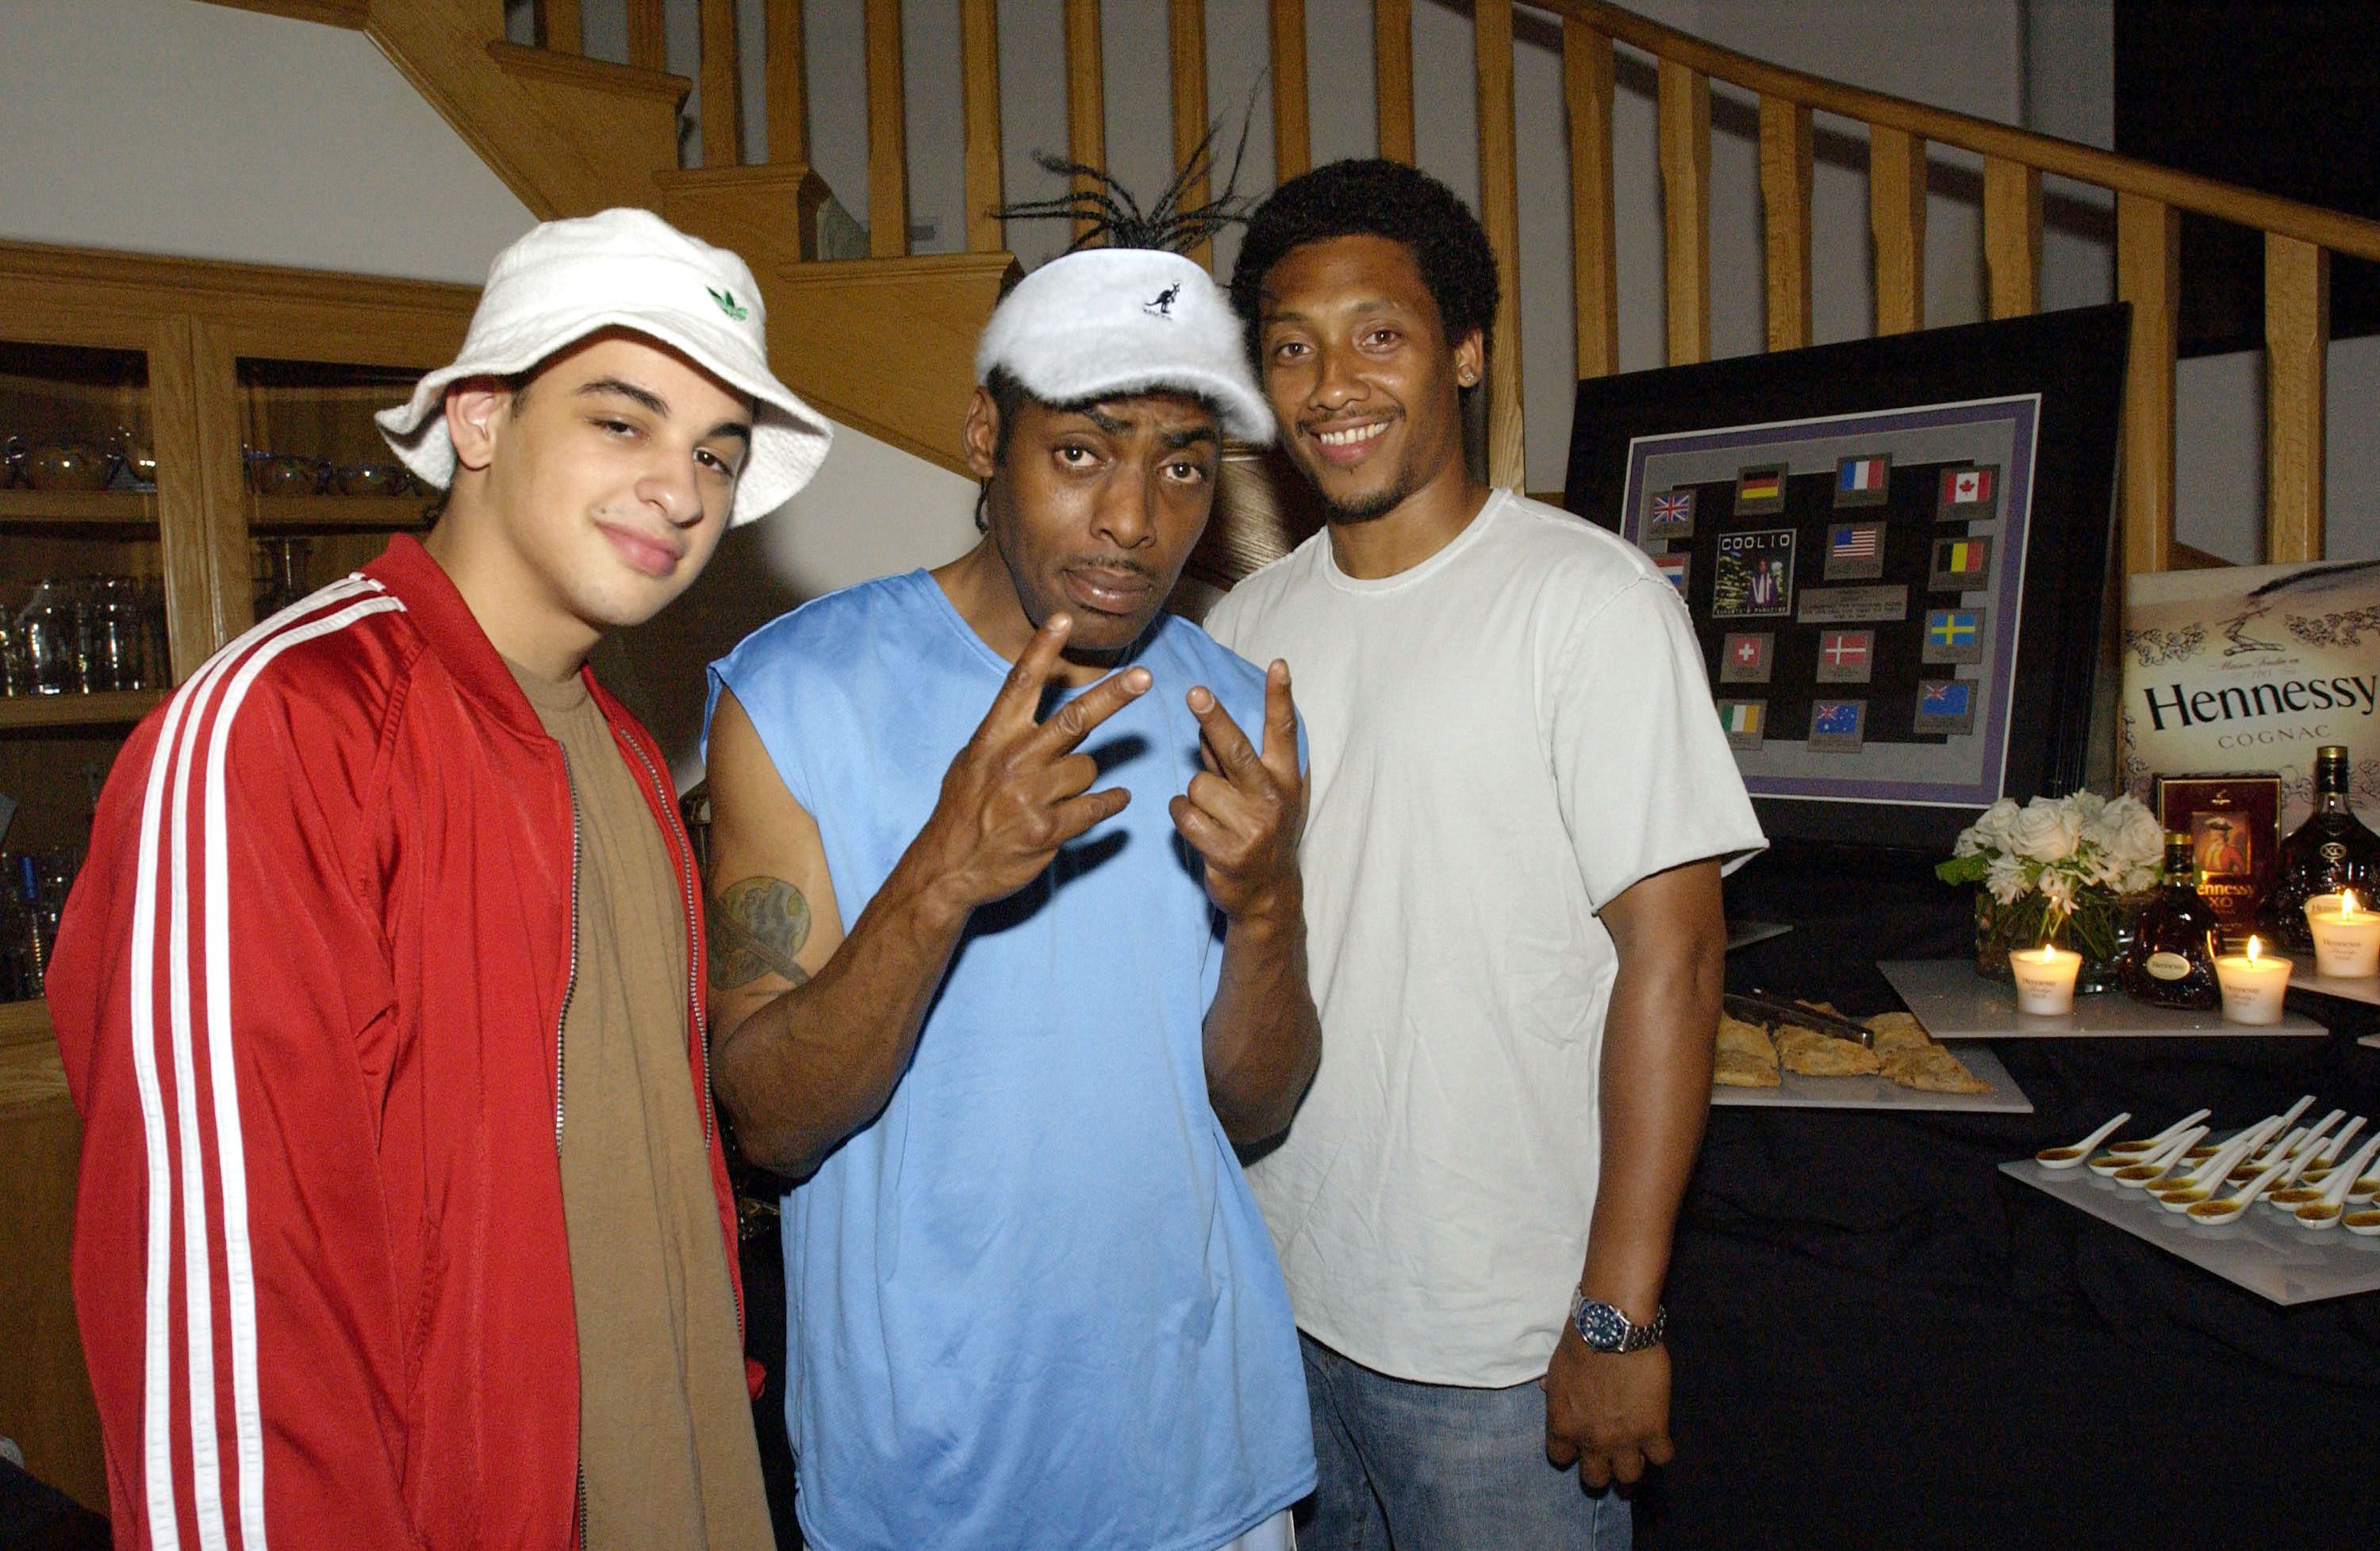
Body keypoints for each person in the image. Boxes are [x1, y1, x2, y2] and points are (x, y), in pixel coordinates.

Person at [47, 208, 832, 1550]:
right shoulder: (280, 727)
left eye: (716, 449)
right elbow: (231, 1330)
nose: (683, 487)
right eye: (621, 421)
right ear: (478, 421)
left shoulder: (629, 751)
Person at [701, 240, 1319, 1551]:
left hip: (1201, 1453)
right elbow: (769, 1120)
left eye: (1185, 463)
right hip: (930, 1468)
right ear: (987, 435)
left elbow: (1255, 1107)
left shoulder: (1232, 712)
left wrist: (1268, 908)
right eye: (1083, 453)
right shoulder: (797, 691)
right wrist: (942, 876)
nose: (1134, 522)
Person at [1206, 158, 1767, 1549]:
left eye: (1377, 334)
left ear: (1465, 351)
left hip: (1502, 1352)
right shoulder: (1242, 626)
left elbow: (1678, 958)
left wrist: (1618, 1309)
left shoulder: (1590, 603)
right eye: (1291, 346)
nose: (1332, 382)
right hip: (1278, 1306)